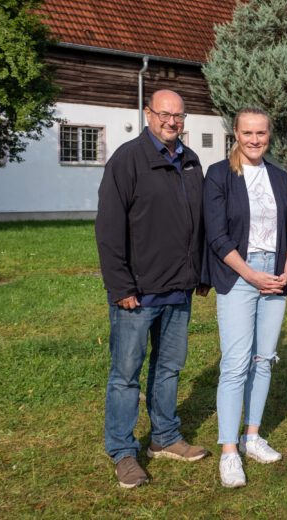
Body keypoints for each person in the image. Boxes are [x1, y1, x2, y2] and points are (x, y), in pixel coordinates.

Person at [95, 89, 209, 489]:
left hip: (178, 289)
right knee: (126, 375)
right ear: (148, 114)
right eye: (164, 114)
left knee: (169, 369)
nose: (172, 122)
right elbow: (108, 228)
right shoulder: (128, 160)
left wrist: (201, 273)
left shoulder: (191, 162)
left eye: (178, 116)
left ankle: (164, 437)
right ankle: (123, 452)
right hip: (138, 293)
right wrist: (121, 285)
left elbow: (199, 223)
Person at [202, 108, 287, 488]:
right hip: (239, 274)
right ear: (236, 134)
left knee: (264, 360)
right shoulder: (219, 175)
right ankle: (229, 452)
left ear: (269, 135)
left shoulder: (279, 176)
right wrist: (250, 274)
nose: (255, 139)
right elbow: (217, 235)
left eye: (261, 133)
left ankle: (252, 435)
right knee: (236, 362)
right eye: (248, 132)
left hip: (274, 274)